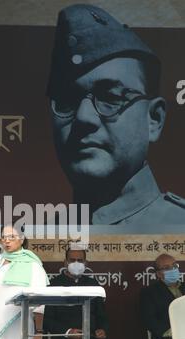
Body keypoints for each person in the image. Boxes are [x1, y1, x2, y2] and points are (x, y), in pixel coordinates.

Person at [46, 4, 185, 225]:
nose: (84, 118)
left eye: (110, 97)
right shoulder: (32, 242)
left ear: (154, 119)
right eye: (67, 100)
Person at [140, 253, 185, 339]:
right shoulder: (149, 292)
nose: (172, 270)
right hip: (164, 338)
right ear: (159, 274)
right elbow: (149, 320)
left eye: (174, 266)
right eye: (167, 268)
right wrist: (170, 332)